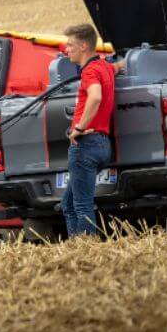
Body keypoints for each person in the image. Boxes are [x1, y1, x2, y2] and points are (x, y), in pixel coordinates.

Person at [60, 23, 118, 238]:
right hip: (103, 144)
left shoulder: (90, 71)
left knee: (82, 205)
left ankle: (87, 251)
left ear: (84, 46)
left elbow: (95, 96)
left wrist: (78, 128)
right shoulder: (104, 67)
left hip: (86, 144)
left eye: (70, 45)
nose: (67, 50)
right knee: (67, 204)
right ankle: (77, 248)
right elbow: (117, 67)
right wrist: (122, 63)